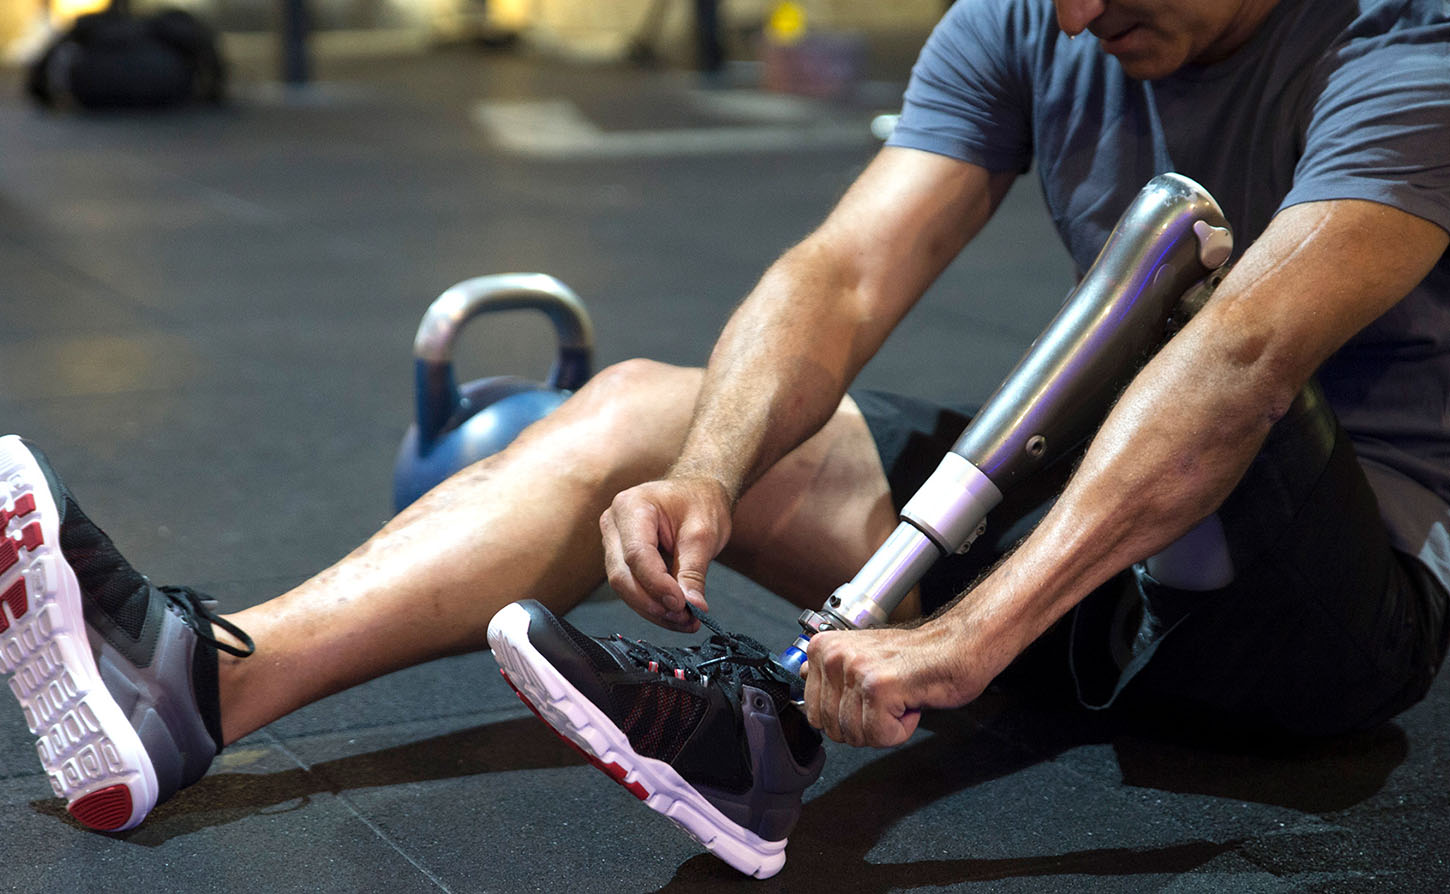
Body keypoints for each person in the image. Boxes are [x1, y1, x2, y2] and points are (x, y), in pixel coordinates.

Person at [1, 0, 1447, 878]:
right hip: (1088, 556)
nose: (1070, 22)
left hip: (1307, 623)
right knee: (642, 403)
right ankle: (200, 685)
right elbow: (840, 274)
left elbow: (1247, 359)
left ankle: (841, 683)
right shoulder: (1038, 17)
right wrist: (708, 467)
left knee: (1188, 288)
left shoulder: (1408, 40)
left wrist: (966, 635)